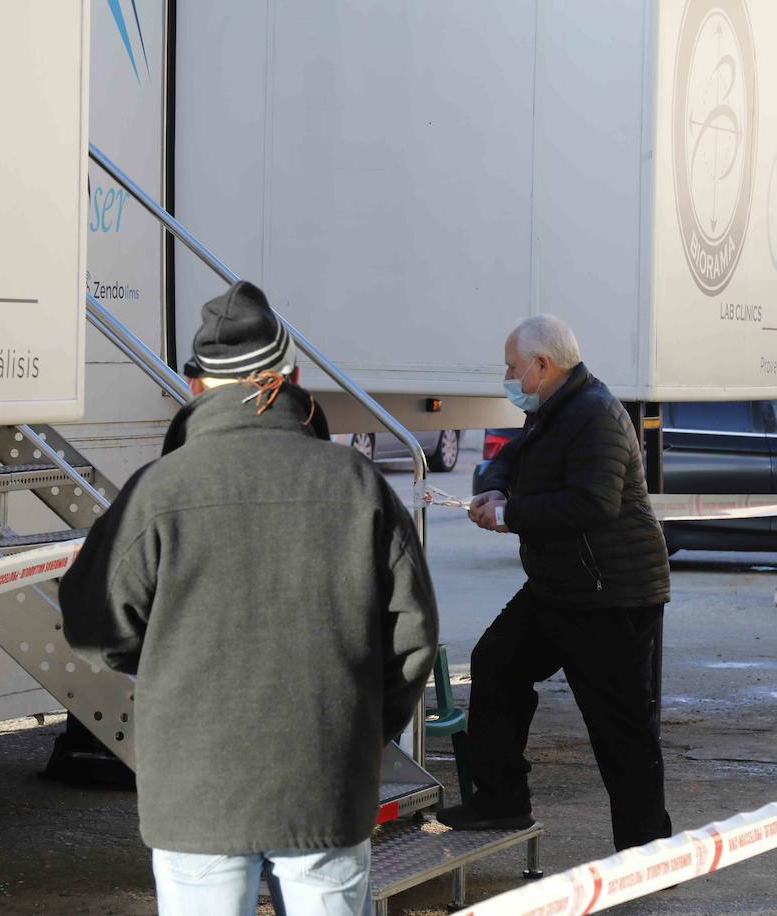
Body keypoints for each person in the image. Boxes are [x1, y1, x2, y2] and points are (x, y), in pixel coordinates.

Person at [60, 281, 438, 916]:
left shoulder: (157, 492)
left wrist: (167, 670)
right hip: (326, 781)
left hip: (196, 791)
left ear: (196, 388)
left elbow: (95, 627)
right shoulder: (359, 486)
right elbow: (414, 640)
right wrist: (364, 728)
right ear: (291, 378)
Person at [436, 314, 673, 851]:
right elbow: (509, 460)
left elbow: (593, 504)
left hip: (610, 594)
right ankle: (501, 800)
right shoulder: (551, 410)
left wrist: (511, 515)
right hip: (559, 587)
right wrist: (494, 492)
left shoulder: (595, 414)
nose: (509, 378)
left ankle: (648, 848)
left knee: (620, 727)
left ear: (543, 366)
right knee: (497, 663)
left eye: (513, 368)